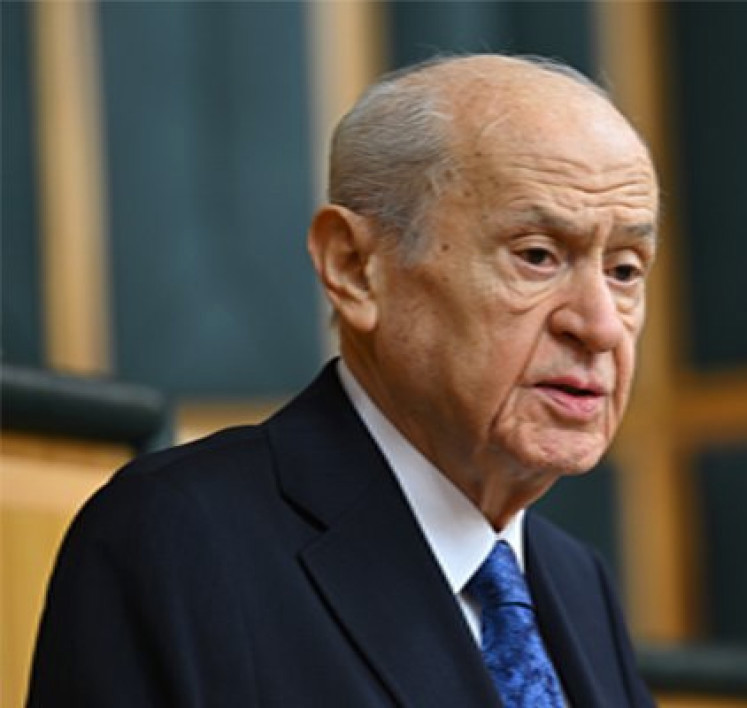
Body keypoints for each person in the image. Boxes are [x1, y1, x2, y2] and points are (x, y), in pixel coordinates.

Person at [29, 54, 659, 707]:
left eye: (624, 270)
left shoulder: (575, 580)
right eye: (537, 256)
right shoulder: (177, 540)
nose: (599, 326)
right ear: (355, 267)